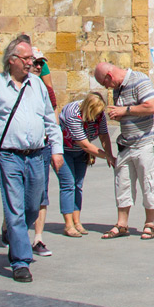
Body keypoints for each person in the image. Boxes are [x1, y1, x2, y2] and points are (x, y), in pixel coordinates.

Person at [0, 35, 63, 283]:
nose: (31, 63)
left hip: (37, 156)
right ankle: (21, 261)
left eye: (31, 59)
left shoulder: (38, 86)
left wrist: (57, 150)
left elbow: (49, 119)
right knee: (15, 208)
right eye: (26, 59)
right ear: (12, 60)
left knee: (33, 207)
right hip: (9, 156)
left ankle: (13, 235)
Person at [93, 60, 154, 240]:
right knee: (122, 184)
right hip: (126, 143)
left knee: (148, 183)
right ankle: (122, 224)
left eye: (105, 83)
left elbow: (151, 107)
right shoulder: (118, 88)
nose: (107, 88)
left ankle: (149, 224)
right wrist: (121, 114)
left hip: (146, 142)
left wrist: (124, 111)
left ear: (109, 76)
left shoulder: (140, 80)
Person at [58, 92, 114, 237]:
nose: (97, 117)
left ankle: (77, 222)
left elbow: (104, 134)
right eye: (94, 114)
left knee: (78, 185)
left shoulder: (99, 114)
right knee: (68, 184)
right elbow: (85, 144)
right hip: (64, 150)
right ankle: (68, 224)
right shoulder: (73, 113)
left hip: (80, 153)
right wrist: (106, 156)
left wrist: (110, 154)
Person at [28, 57, 57, 255]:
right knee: (18, 195)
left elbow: (52, 117)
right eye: (35, 63)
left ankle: (38, 238)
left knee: (41, 193)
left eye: (42, 64)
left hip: (42, 146)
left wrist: (56, 148)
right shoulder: (7, 86)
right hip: (16, 150)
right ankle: (9, 227)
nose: (39, 67)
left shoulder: (45, 90)